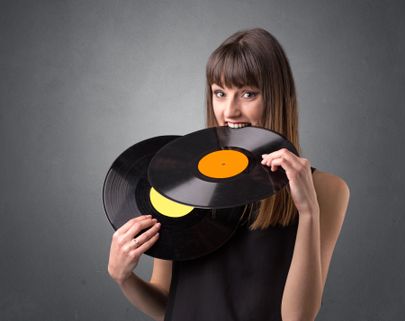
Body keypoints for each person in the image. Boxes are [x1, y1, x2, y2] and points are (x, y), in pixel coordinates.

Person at [108, 28, 350, 321]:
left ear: (278, 98)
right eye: (220, 93)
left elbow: (298, 317)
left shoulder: (326, 189)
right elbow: (167, 306)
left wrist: (308, 211)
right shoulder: (179, 180)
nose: (230, 111)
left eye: (248, 93)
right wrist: (124, 278)